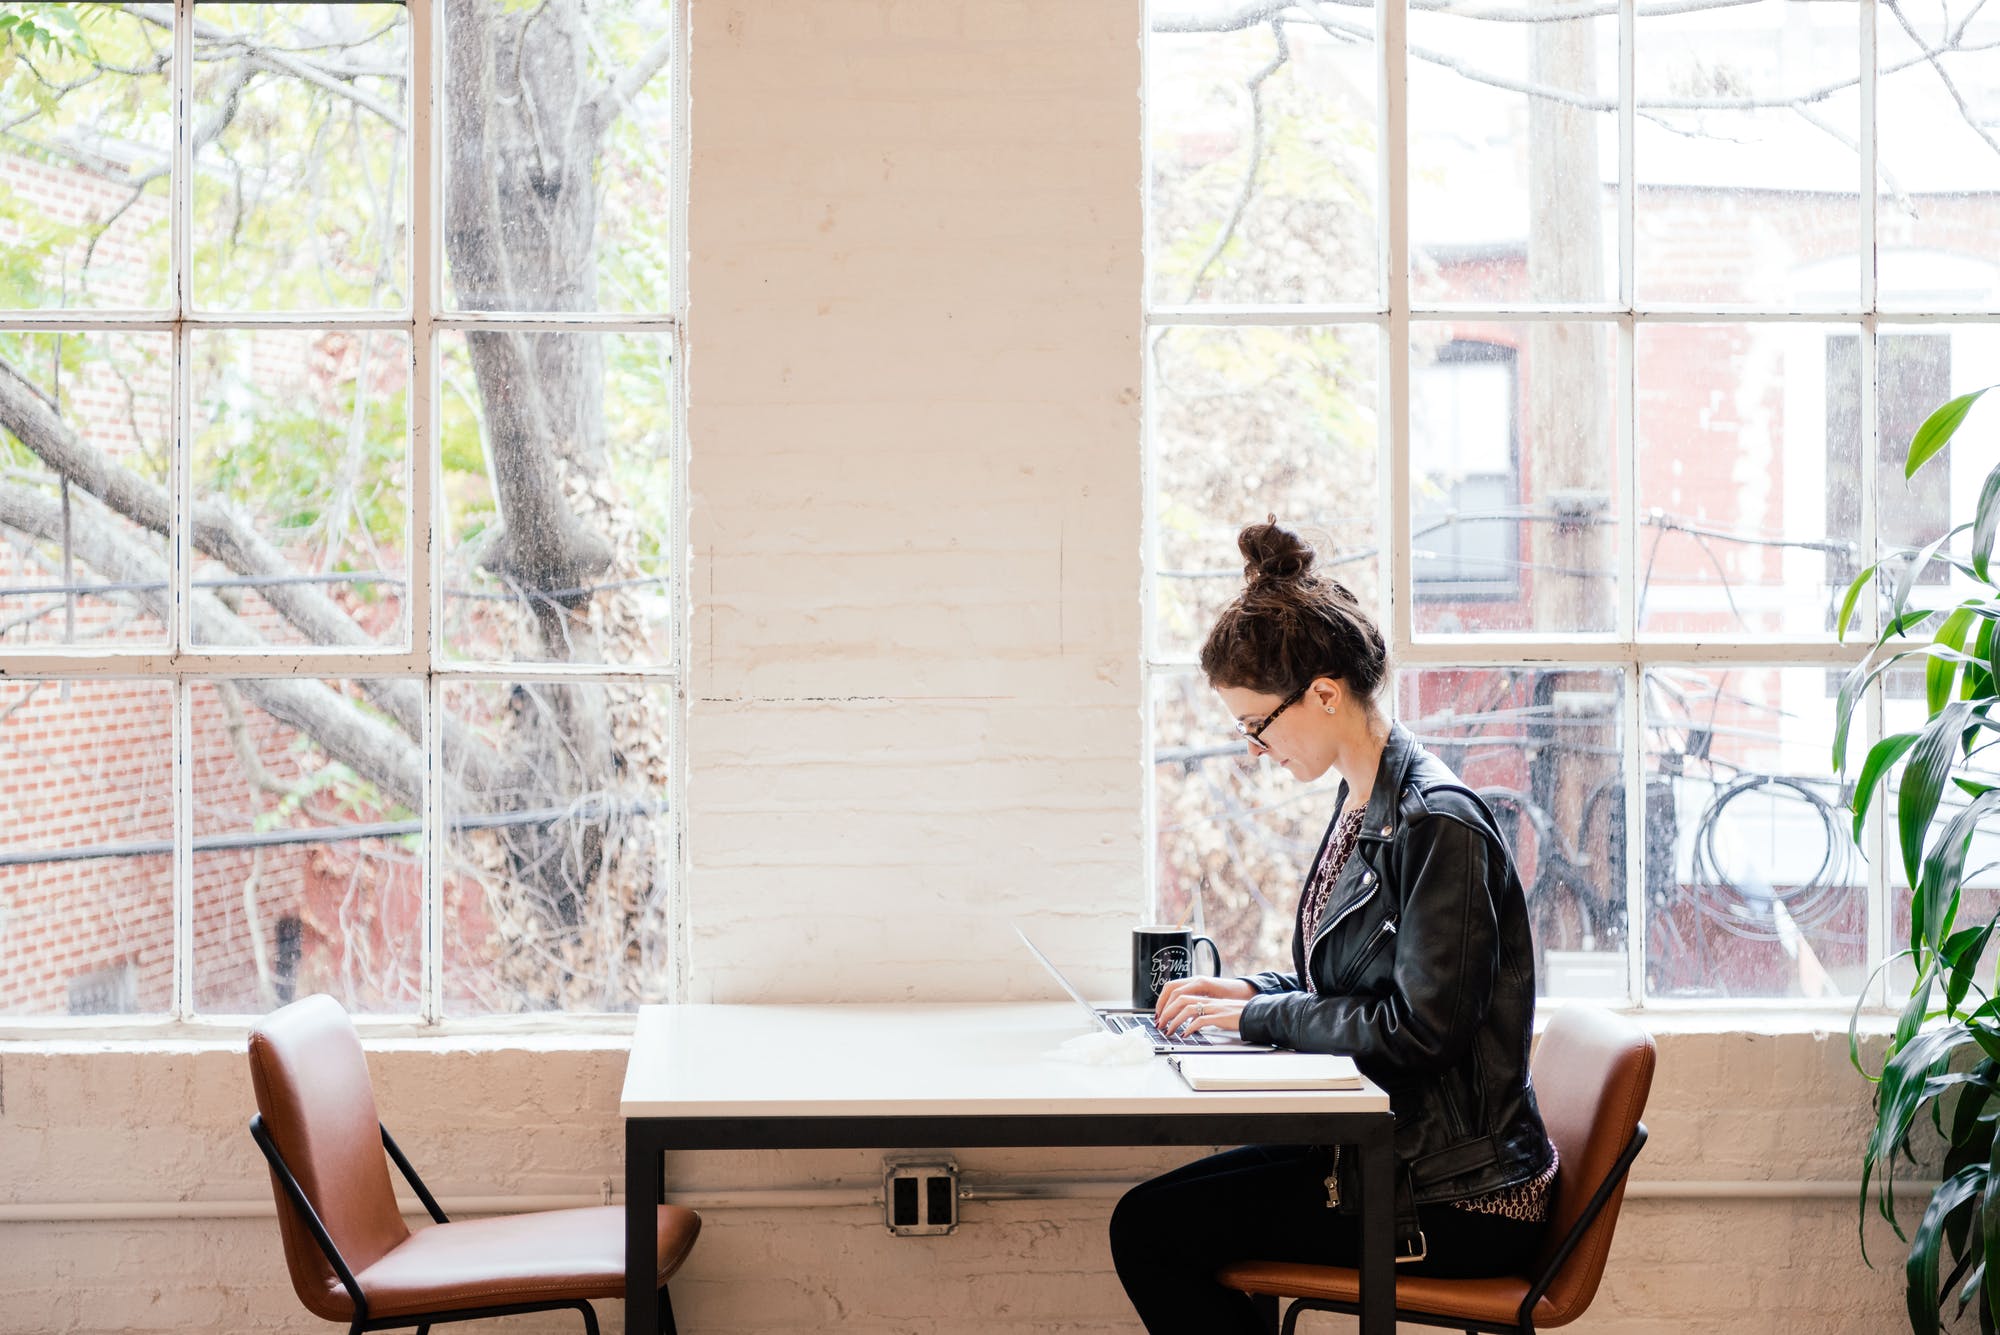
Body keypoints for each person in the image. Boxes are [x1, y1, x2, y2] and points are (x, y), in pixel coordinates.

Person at [1109, 518, 1557, 1334]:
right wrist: (1245, 989)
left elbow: (1418, 1029)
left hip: (1458, 1195)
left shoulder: (1435, 822)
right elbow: (1353, 988)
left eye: (1257, 724)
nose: (1252, 748)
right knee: (1153, 1214)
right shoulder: (1363, 799)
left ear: (1322, 692)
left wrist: (1255, 1015)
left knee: (1150, 1231)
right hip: (1387, 1153)